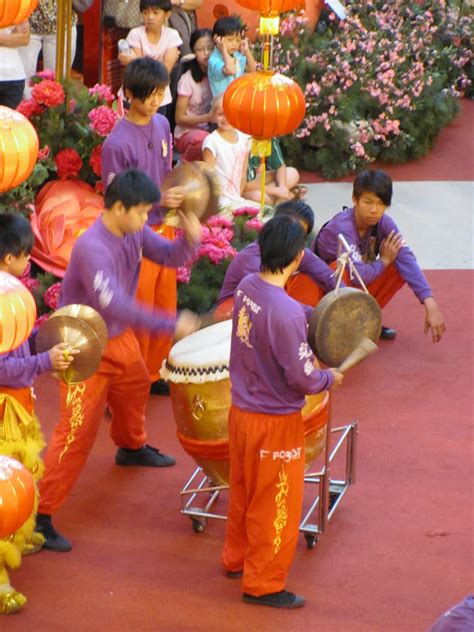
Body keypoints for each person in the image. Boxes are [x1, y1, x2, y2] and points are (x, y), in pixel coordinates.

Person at [35, 170, 201, 552]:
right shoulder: (93, 248)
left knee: (136, 384)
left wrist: (192, 236)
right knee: (76, 432)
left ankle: (130, 446)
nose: (148, 220)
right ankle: (40, 516)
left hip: (116, 336)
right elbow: (119, 303)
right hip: (81, 346)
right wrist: (170, 323)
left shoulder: (132, 229)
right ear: (120, 207)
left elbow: (169, 255)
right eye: (143, 212)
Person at [222, 214, 343, 609]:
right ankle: (264, 584)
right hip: (275, 423)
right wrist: (331, 378)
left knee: (243, 492)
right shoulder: (286, 313)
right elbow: (305, 378)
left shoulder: (246, 287)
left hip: (240, 414)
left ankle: (236, 559)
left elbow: (283, 315)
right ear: (296, 257)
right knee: (276, 503)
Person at [0, 214, 76, 613]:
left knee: (23, 473)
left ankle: (19, 527)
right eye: (26, 257)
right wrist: (46, 360)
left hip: (20, 403)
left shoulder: (14, 296)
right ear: (11, 257)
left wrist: (41, 338)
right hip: (3, 411)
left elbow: (22, 342)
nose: (29, 263)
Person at [102, 57, 184, 395]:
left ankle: (155, 371)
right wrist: (160, 201)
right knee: (137, 309)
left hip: (164, 229)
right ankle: (127, 380)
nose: (154, 101)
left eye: (160, 94)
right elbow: (117, 201)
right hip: (135, 236)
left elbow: (165, 172)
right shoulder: (116, 144)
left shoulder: (163, 126)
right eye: (148, 95)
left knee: (163, 303)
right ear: (130, 95)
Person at [314, 169, 446, 342]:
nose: (374, 210)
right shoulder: (342, 227)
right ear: (355, 199)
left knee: (399, 263)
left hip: (349, 291)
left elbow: (407, 259)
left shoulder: (384, 223)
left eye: (380, 203)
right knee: (341, 269)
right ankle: (335, 324)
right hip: (321, 293)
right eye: (368, 202)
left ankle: (362, 319)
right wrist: (383, 260)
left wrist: (430, 303)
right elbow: (357, 276)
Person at [215, 200, 338, 321]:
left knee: (310, 281)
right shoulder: (251, 261)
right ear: (275, 225)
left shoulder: (296, 250)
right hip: (234, 310)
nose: (292, 237)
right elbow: (267, 300)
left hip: (272, 302)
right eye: (288, 230)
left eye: (300, 235)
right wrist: (320, 317)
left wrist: (348, 301)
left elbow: (327, 276)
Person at [118, 0, 183, 115]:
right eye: (145, 13)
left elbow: (166, 69)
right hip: (135, 93)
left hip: (159, 98)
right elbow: (137, 72)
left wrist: (135, 60)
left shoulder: (172, 35)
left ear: (167, 14)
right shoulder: (135, 34)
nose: (150, 17)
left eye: (155, 13)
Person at [202, 94, 259, 214]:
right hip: (220, 202)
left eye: (229, 113)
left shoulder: (245, 138)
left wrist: (237, 198)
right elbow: (209, 177)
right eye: (220, 114)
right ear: (213, 116)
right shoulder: (211, 141)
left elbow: (243, 174)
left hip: (237, 199)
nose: (225, 118)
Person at [18, 0, 78, 95]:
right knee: (22, 80)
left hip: (63, 22)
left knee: (57, 83)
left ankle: (53, 109)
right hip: (26, 21)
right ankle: (24, 108)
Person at [174, 28, 214, 162]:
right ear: (193, 52)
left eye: (210, 48)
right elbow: (179, 118)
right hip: (187, 134)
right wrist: (207, 118)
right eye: (200, 49)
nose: (206, 53)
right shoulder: (187, 80)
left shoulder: (218, 75)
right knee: (204, 140)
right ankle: (182, 168)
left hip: (211, 130)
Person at [243, 138, 307, 206]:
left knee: (292, 173)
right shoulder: (245, 140)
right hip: (240, 187)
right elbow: (246, 185)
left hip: (255, 180)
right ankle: (284, 199)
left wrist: (282, 188)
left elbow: (280, 165)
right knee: (257, 196)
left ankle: (279, 199)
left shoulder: (268, 135)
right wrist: (276, 191)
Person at [208, 15, 256, 97]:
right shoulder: (214, 60)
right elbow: (231, 70)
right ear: (217, 38)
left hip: (237, 100)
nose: (234, 44)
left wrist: (247, 51)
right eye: (230, 40)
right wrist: (223, 50)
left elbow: (252, 70)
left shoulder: (236, 55)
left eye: (237, 40)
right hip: (221, 105)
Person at [0, 22, 30, 109]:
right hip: (13, 76)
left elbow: (24, 39)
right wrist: (11, 37)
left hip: (14, 76)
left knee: (10, 121)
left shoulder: (17, 9)